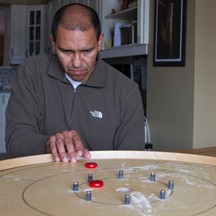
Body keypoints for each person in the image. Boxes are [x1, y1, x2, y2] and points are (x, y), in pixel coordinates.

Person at [5, 3, 145, 162]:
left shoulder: (127, 91)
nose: (77, 63)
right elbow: (15, 141)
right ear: (53, 43)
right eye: (66, 51)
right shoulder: (31, 72)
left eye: (86, 51)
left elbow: (130, 163)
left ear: (99, 42)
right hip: (40, 182)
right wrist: (50, 145)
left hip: (101, 184)